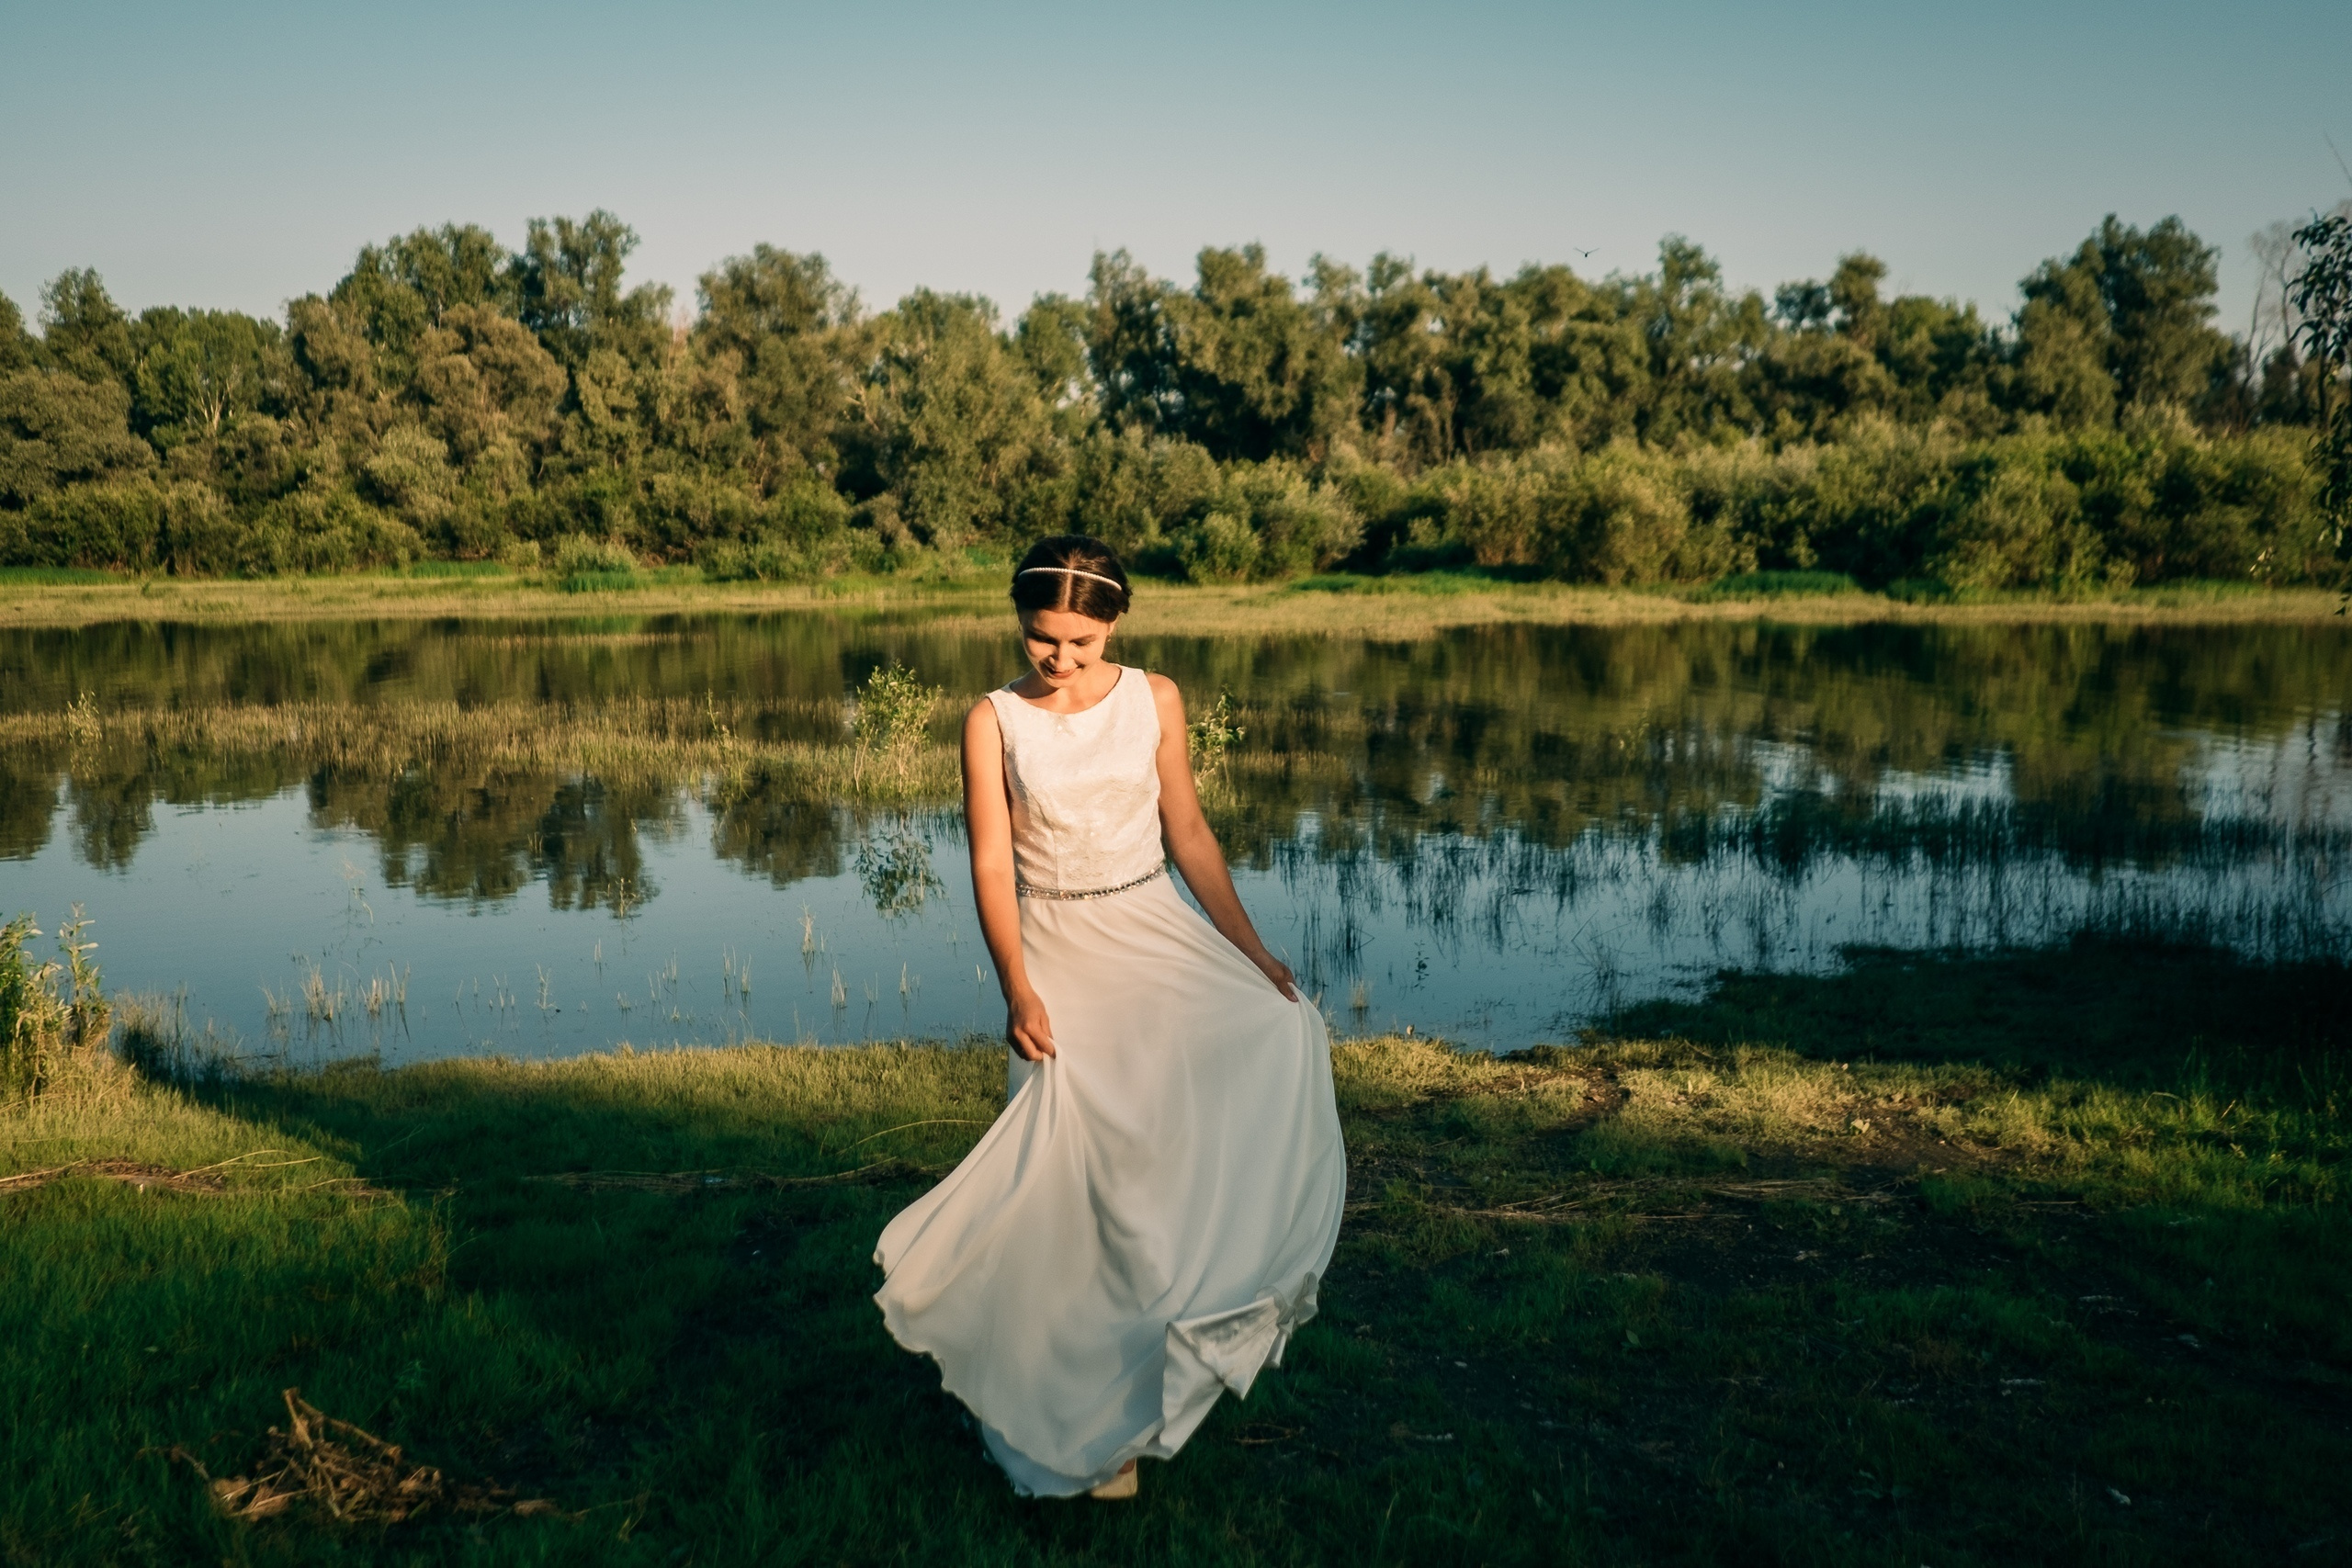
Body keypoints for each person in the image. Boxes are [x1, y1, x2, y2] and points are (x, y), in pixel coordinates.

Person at [873, 535, 1348, 1500]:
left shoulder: (1156, 699)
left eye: (1082, 642)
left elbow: (1189, 834)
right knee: (1073, 1185)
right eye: (1043, 639)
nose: (1061, 660)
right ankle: (1064, 1412)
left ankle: (1146, 1377)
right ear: (1021, 625)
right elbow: (990, 864)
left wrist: (1251, 953)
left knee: (1193, 1125)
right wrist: (1016, 983)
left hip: (1153, 934)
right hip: (1056, 955)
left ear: (1117, 623)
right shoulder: (992, 718)